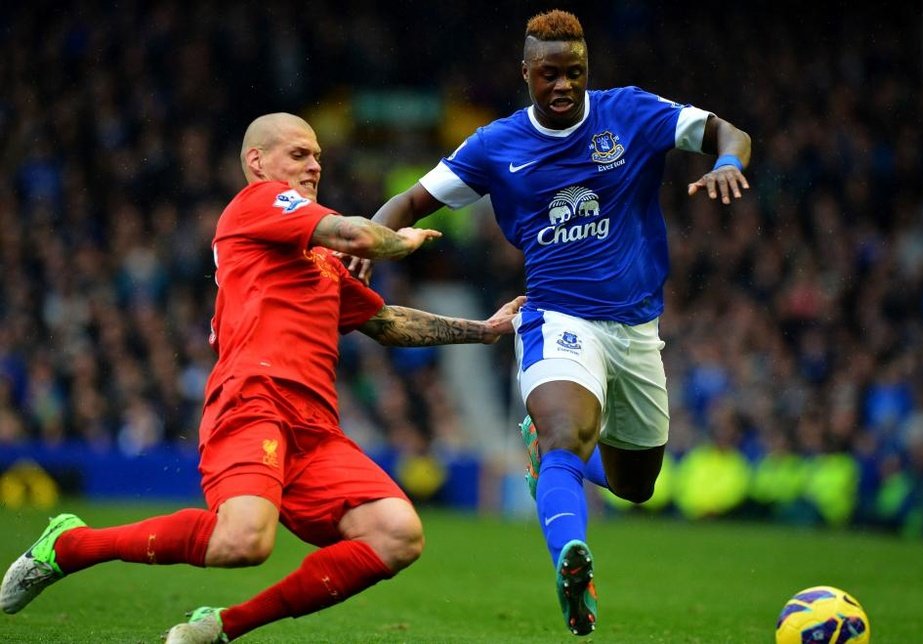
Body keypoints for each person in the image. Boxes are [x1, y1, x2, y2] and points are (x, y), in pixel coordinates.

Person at [1, 112, 525, 643]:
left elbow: (385, 322)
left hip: (316, 428)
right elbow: (358, 234)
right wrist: (402, 240)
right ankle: (68, 546)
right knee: (244, 542)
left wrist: (482, 331)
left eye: (317, 155)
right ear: (258, 162)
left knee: (397, 535)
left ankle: (221, 628)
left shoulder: (319, 257)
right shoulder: (258, 204)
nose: (314, 165)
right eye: (299, 155)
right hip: (254, 399)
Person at [372, 9, 751, 636]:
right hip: (555, 316)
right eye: (549, 74)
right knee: (563, 434)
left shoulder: (629, 112)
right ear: (526, 73)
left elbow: (724, 131)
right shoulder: (496, 145)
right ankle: (571, 558)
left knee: (636, 484)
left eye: (574, 73)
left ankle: (553, 462)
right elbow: (411, 200)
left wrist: (729, 161)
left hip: (635, 329)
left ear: (587, 71)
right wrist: (369, 240)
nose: (562, 86)